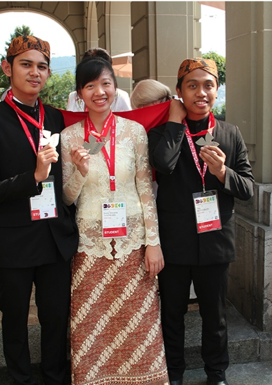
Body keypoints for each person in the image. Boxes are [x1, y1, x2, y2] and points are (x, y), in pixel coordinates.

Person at [0, 36, 78, 385]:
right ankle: (20, 379)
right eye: (26, 64)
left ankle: (55, 377)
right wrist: (33, 176)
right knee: (14, 320)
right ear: (8, 68)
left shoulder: (60, 119)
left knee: (56, 318)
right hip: (13, 242)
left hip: (54, 239)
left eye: (42, 66)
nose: (35, 72)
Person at [61, 57, 168, 385]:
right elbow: (66, 198)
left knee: (139, 321)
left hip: (133, 243)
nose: (99, 91)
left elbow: (145, 189)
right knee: (91, 322)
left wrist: (154, 243)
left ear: (115, 88)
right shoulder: (69, 137)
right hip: (90, 246)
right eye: (90, 85)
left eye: (105, 83)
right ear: (80, 94)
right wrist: (79, 172)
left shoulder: (134, 132)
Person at [148, 58, 255, 385]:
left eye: (208, 85)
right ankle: (174, 374)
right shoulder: (163, 132)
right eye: (192, 85)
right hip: (175, 243)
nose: (201, 92)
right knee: (172, 316)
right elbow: (163, 165)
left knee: (216, 317)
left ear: (217, 90)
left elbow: (248, 189)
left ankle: (216, 374)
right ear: (179, 92)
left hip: (215, 242)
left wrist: (223, 172)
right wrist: (176, 124)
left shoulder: (229, 133)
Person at [66, 48, 132, 112]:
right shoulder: (73, 97)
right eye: (90, 86)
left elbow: (129, 118)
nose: (99, 93)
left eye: (105, 83)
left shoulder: (121, 96)